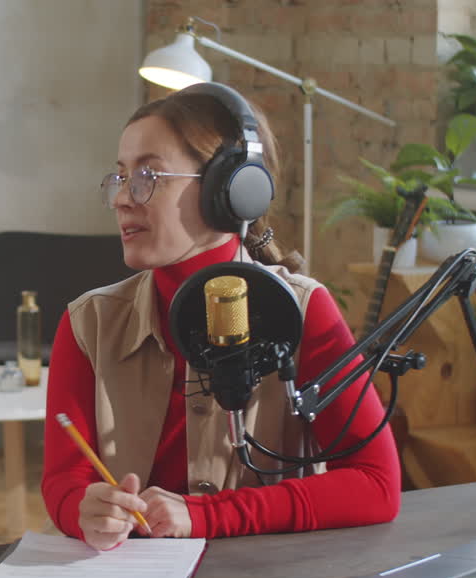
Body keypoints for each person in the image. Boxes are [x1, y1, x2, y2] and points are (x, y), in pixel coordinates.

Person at [42, 84, 401, 550]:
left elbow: (376, 485)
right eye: (120, 177)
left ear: (230, 192)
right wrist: (82, 509)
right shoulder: (86, 324)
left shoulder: (304, 309)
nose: (122, 199)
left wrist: (206, 516)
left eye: (148, 175)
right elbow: (63, 484)